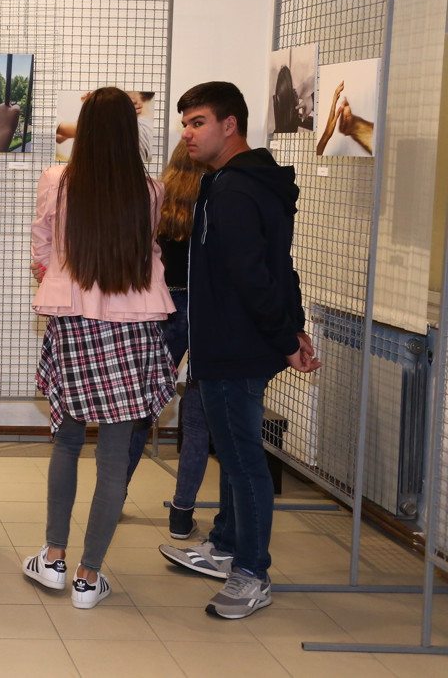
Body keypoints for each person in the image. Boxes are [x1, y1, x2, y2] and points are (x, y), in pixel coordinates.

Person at [159, 81, 321, 620]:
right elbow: (281, 265)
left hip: (235, 347)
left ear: (230, 125)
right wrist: (293, 329)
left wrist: (285, 336)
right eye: (185, 123)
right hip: (239, 343)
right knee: (232, 454)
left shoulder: (233, 190)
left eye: (198, 122)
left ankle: (252, 572)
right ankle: (226, 546)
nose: (188, 133)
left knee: (244, 462)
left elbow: (253, 276)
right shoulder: (241, 180)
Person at [24, 87, 176, 609]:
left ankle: (54, 559)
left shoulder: (56, 180)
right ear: (131, 132)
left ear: (83, 129)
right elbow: (146, 250)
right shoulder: (151, 190)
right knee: (113, 456)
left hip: (74, 322)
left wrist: (60, 279)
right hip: (134, 326)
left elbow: (42, 248)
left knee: (67, 441)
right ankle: (88, 578)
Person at [124, 141, 213, 540]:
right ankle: (181, 512)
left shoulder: (157, 198)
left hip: (165, 308)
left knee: (140, 410)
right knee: (197, 418)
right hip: (209, 311)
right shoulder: (215, 198)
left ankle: (114, 493)